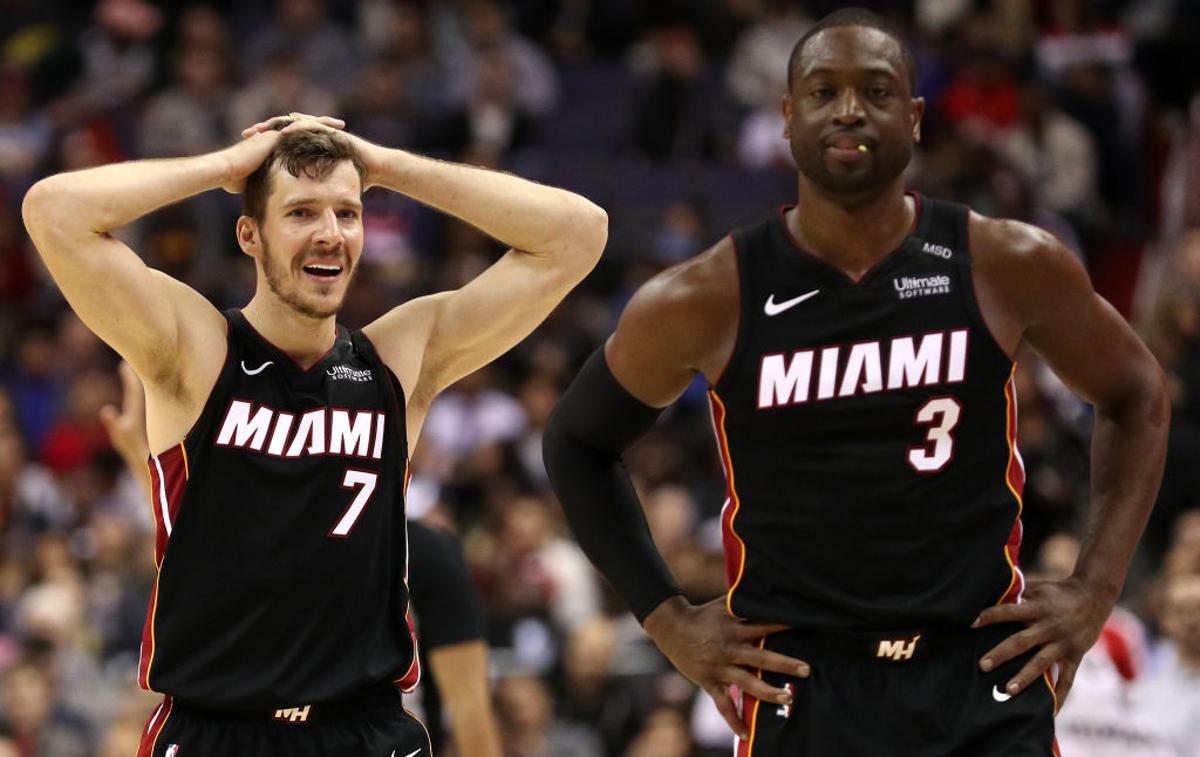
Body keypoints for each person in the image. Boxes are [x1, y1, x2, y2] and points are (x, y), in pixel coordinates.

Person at [543, 8, 1168, 756]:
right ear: (786, 114)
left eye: (875, 90)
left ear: (914, 116)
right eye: (823, 90)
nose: (848, 109)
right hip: (806, 686)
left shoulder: (1005, 261)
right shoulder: (708, 295)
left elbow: (1136, 394)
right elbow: (576, 440)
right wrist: (667, 618)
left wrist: (1095, 591)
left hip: (978, 677)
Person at [23, 112, 606, 756]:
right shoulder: (195, 352)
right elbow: (54, 211)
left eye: (347, 213)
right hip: (219, 730)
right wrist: (225, 168)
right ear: (250, 234)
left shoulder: (397, 362)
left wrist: (381, 164)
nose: (330, 235)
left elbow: (578, 234)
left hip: (367, 728)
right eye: (301, 213)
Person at [99, 362, 505, 757]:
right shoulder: (272, 542)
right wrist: (143, 457)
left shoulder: (428, 554)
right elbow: (196, 552)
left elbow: (471, 711)